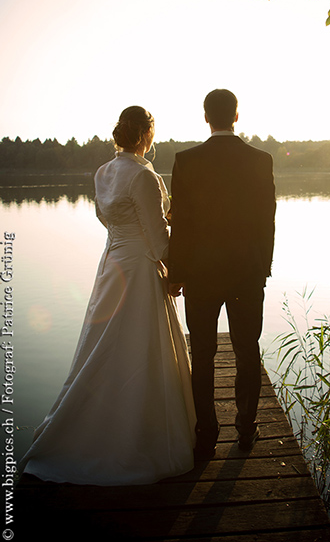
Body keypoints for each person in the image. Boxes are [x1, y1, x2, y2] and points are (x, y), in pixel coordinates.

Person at [19, 106, 196, 485]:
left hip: (112, 263)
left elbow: (109, 218)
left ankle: (88, 422)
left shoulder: (103, 172)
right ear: (147, 134)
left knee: (103, 346)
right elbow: (157, 238)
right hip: (138, 268)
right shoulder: (144, 176)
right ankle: (134, 438)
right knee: (138, 347)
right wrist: (178, 264)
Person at [168, 89, 276, 458]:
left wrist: (175, 272)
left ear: (205, 117)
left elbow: (180, 223)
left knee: (203, 353)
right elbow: (267, 219)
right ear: (236, 115)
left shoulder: (186, 160)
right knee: (247, 351)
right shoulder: (261, 160)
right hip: (247, 270)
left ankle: (207, 434)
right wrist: (263, 267)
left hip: (200, 272)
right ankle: (246, 429)